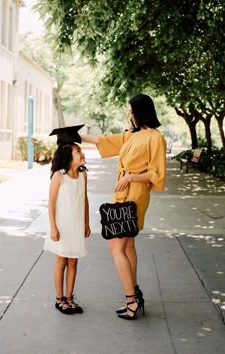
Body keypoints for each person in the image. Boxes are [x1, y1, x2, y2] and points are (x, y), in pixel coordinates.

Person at [81, 93, 166, 320]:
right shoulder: (132, 136)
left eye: (131, 111)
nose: (129, 115)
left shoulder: (155, 138)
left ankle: (131, 301)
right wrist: (75, 136)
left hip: (136, 195)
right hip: (121, 193)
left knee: (115, 247)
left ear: (142, 112)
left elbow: (157, 174)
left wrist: (130, 178)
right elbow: (105, 141)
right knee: (127, 246)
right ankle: (134, 296)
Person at [44, 126, 91, 314]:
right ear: (68, 156)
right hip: (62, 227)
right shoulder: (59, 176)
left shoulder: (83, 175)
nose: (82, 154)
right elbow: (51, 203)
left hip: (77, 226)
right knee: (61, 261)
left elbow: (85, 200)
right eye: (78, 151)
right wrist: (53, 228)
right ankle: (59, 298)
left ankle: (70, 297)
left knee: (74, 262)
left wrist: (86, 223)